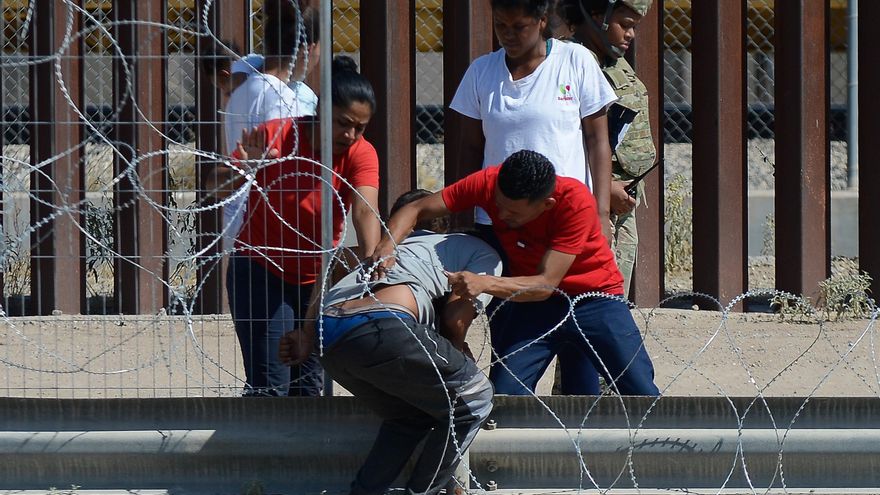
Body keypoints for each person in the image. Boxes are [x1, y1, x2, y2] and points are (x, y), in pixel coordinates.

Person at [371, 150, 659, 396]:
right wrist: (387, 245)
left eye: (513, 213)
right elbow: (417, 207)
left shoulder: (574, 201)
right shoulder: (488, 182)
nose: (501, 215)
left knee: (638, 388)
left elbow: (547, 284)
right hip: (532, 306)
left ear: (546, 204)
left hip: (594, 299)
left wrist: (483, 283)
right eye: (498, 205)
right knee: (506, 395)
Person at [279, 192, 502, 495]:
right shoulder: (479, 251)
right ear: (445, 225)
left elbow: (331, 261)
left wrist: (306, 333)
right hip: (383, 326)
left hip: (328, 335)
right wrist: (457, 349)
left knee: (408, 417)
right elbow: (454, 318)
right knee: (475, 397)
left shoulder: (381, 249)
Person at [217, 54, 381, 397]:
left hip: (314, 278)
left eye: (360, 127)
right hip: (261, 269)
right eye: (343, 122)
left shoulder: (360, 153)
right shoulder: (278, 134)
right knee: (270, 385)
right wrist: (243, 167)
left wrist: (371, 263)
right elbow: (212, 185)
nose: (351, 134)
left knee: (309, 387)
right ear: (321, 111)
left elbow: (365, 210)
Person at [449, 0, 617, 244]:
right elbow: (470, 148)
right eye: (500, 25)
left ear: (542, 21)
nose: (508, 35)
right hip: (499, 221)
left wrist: (601, 214)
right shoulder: (480, 71)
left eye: (519, 27)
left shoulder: (575, 60)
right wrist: (461, 215)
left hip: (562, 216)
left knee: (558, 283)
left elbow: (597, 141)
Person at [551, 0, 656, 298]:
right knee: (589, 299)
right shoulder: (567, 62)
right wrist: (605, 189)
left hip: (621, 202)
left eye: (634, 26)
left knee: (612, 297)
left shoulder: (611, 60)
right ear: (597, 15)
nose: (631, 34)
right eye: (625, 24)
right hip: (590, 201)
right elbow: (560, 139)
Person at [221, 1, 318, 252]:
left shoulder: (244, 85)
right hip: (269, 223)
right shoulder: (284, 102)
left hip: (238, 215)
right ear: (309, 49)